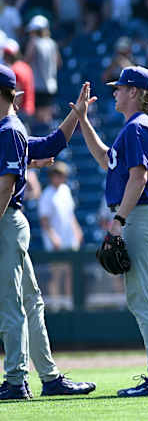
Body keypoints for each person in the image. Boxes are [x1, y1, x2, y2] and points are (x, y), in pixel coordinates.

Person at [74, 66, 148, 397]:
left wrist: (119, 220)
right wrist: (83, 121)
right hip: (143, 214)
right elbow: (107, 160)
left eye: (120, 88)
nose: (115, 92)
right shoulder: (134, 127)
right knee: (142, 298)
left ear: (134, 92)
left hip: (140, 215)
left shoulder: (137, 127)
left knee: (142, 299)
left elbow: (138, 177)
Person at [0, 70, 96, 400]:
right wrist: (76, 116)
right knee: (30, 300)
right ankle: (50, 377)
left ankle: (16, 380)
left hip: (5, 220)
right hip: (8, 221)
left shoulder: (9, 129)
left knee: (13, 304)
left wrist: (76, 115)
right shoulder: (9, 131)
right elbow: (51, 144)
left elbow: (5, 187)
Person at [25, 15, 60, 124]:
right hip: (51, 86)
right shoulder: (52, 43)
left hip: (37, 86)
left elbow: (26, 62)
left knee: (39, 119)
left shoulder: (34, 43)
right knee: (47, 117)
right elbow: (58, 63)